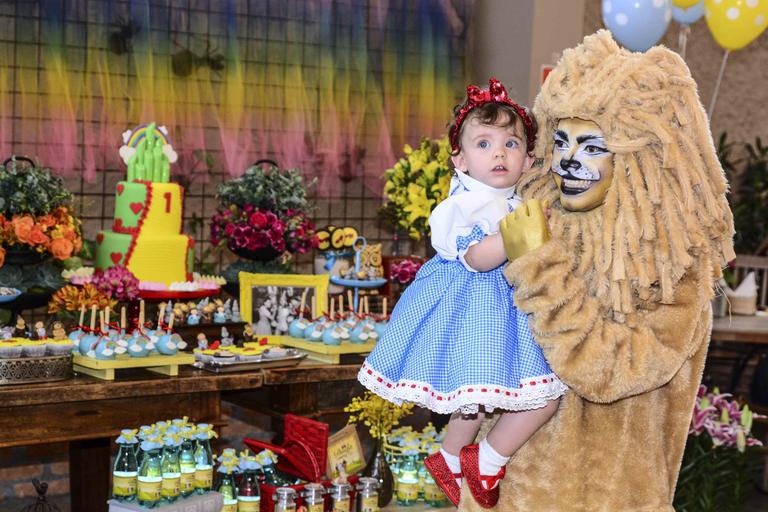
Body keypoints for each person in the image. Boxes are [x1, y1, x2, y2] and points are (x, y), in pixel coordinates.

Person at [461, 31, 735, 512]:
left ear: (641, 160)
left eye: (592, 147)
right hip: (502, 496)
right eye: (562, 141)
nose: (569, 161)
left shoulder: (673, 268)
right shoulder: (538, 220)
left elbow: (608, 373)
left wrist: (538, 267)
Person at [358, 78, 566, 509]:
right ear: (461, 160)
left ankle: (452, 456)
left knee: (479, 400)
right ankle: (486, 460)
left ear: (529, 160)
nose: (498, 154)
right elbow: (476, 260)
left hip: (506, 310)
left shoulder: (512, 201)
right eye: (484, 143)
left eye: (511, 144)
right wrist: (523, 234)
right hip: (472, 310)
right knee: (543, 395)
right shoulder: (464, 205)